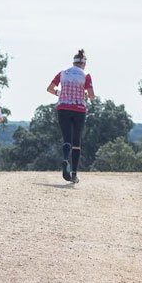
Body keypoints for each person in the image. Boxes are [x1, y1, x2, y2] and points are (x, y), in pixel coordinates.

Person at [46, 49, 94, 183]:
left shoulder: (63, 73)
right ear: (84, 64)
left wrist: (59, 93)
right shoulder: (86, 76)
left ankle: (65, 159)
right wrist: (84, 94)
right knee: (76, 141)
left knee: (67, 138)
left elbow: (50, 88)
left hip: (63, 108)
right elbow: (91, 95)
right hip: (79, 109)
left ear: (73, 62)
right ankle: (74, 174)